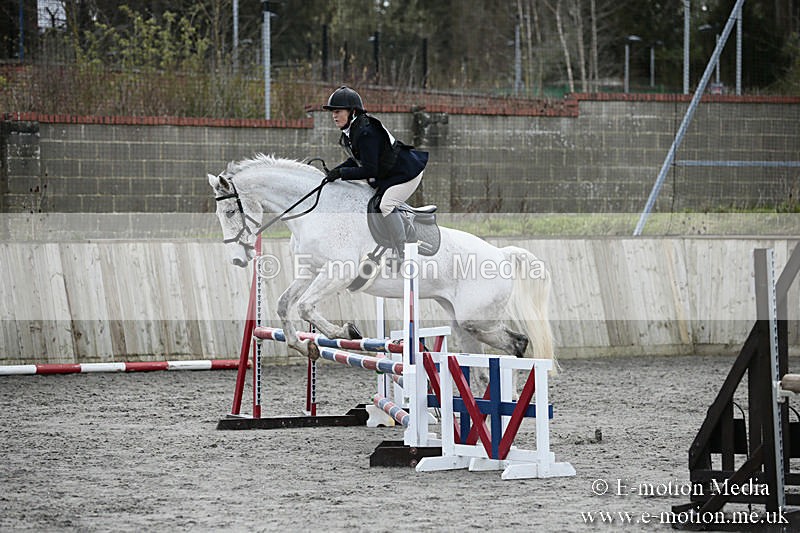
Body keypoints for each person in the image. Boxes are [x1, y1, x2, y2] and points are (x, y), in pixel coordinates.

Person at [322, 86, 428, 260]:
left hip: (407, 174)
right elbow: (358, 161)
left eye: (338, 111)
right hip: (391, 175)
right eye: (332, 112)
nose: (334, 115)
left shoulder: (366, 132)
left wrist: (342, 173)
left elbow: (370, 170)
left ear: (352, 112)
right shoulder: (352, 132)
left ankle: (403, 251)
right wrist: (335, 171)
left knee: (385, 205)